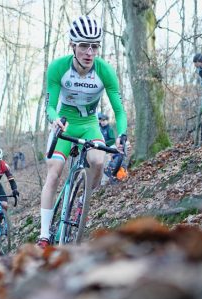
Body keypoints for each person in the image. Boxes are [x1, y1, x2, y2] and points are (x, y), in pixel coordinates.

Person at [38, 15, 127, 249]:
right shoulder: (58, 68)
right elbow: (49, 104)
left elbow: (119, 110)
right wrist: (55, 119)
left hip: (89, 125)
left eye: (95, 46)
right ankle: (44, 235)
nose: (89, 52)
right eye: (84, 46)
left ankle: (82, 199)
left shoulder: (104, 71)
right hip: (65, 123)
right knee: (54, 171)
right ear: (73, 46)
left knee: (98, 161)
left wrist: (121, 134)